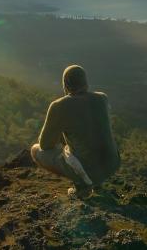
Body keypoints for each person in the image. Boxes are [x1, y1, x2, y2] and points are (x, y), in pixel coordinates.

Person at [30, 65, 120, 199]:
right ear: (86, 82)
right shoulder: (102, 98)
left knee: (35, 150)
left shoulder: (59, 106)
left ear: (65, 85)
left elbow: (45, 145)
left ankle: (81, 185)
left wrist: (59, 130)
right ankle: (97, 184)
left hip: (88, 169)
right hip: (112, 163)